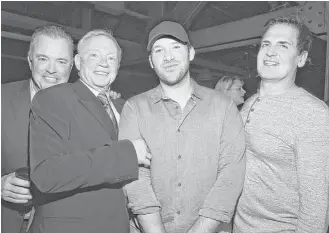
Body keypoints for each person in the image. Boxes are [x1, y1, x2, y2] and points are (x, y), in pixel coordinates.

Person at [119, 21, 246, 233]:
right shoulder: (134, 107)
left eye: (176, 47)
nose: (168, 57)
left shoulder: (223, 106)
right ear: (151, 61)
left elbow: (231, 175)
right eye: (159, 50)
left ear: (191, 53)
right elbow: (136, 178)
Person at [28, 29, 151, 233]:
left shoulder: (125, 107)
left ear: (118, 67)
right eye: (94, 55)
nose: (103, 63)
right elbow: (45, 174)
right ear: (77, 62)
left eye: (111, 58)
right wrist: (127, 154)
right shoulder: (53, 98)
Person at [233, 16, 329, 233]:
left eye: (283, 45)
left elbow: (316, 207)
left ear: (301, 58)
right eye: (266, 44)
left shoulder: (312, 114)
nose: (270, 51)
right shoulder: (249, 103)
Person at [1, 25, 74, 233]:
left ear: (71, 66)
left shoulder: (86, 107)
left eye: (61, 61)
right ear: (30, 60)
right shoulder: (2, 99)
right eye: (43, 58)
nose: (52, 69)